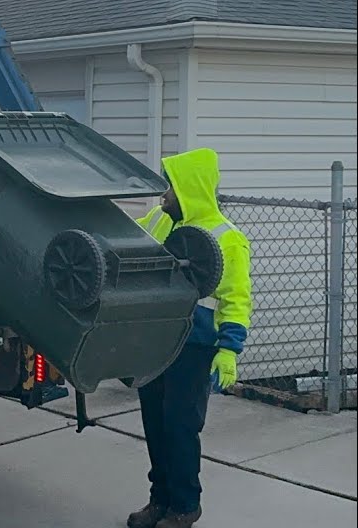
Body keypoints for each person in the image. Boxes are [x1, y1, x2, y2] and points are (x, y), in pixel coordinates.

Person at [127, 148, 253, 528]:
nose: (164, 195)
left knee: (180, 427)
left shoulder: (227, 238)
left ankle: (185, 506)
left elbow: (236, 300)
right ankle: (160, 501)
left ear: (190, 189)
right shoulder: (159, 221)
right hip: (155, 341)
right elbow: (123, 238)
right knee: (155, 423)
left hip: (194, 346)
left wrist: (229, 349)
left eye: (171, 187)